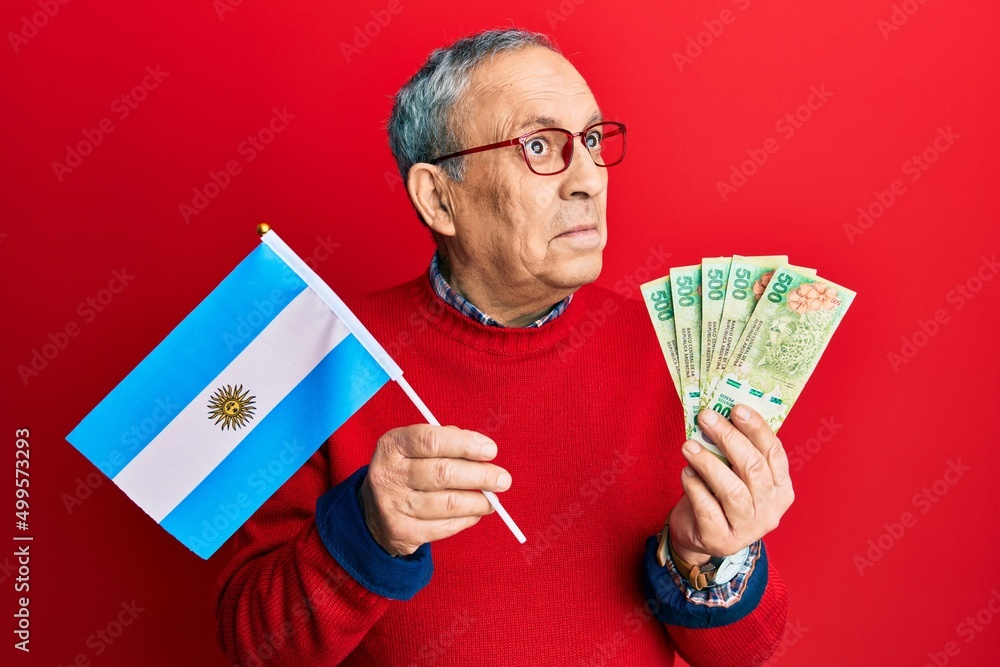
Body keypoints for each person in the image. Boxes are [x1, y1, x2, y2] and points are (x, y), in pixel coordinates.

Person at [215, 28, 793, 666]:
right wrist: (367, 531)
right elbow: (258, 648)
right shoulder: (325, 354)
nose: (589, 180)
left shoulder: (674, 349)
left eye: (594, 141)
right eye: (541, 145)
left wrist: (706, 557)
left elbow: (746, 651)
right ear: (440, 197)